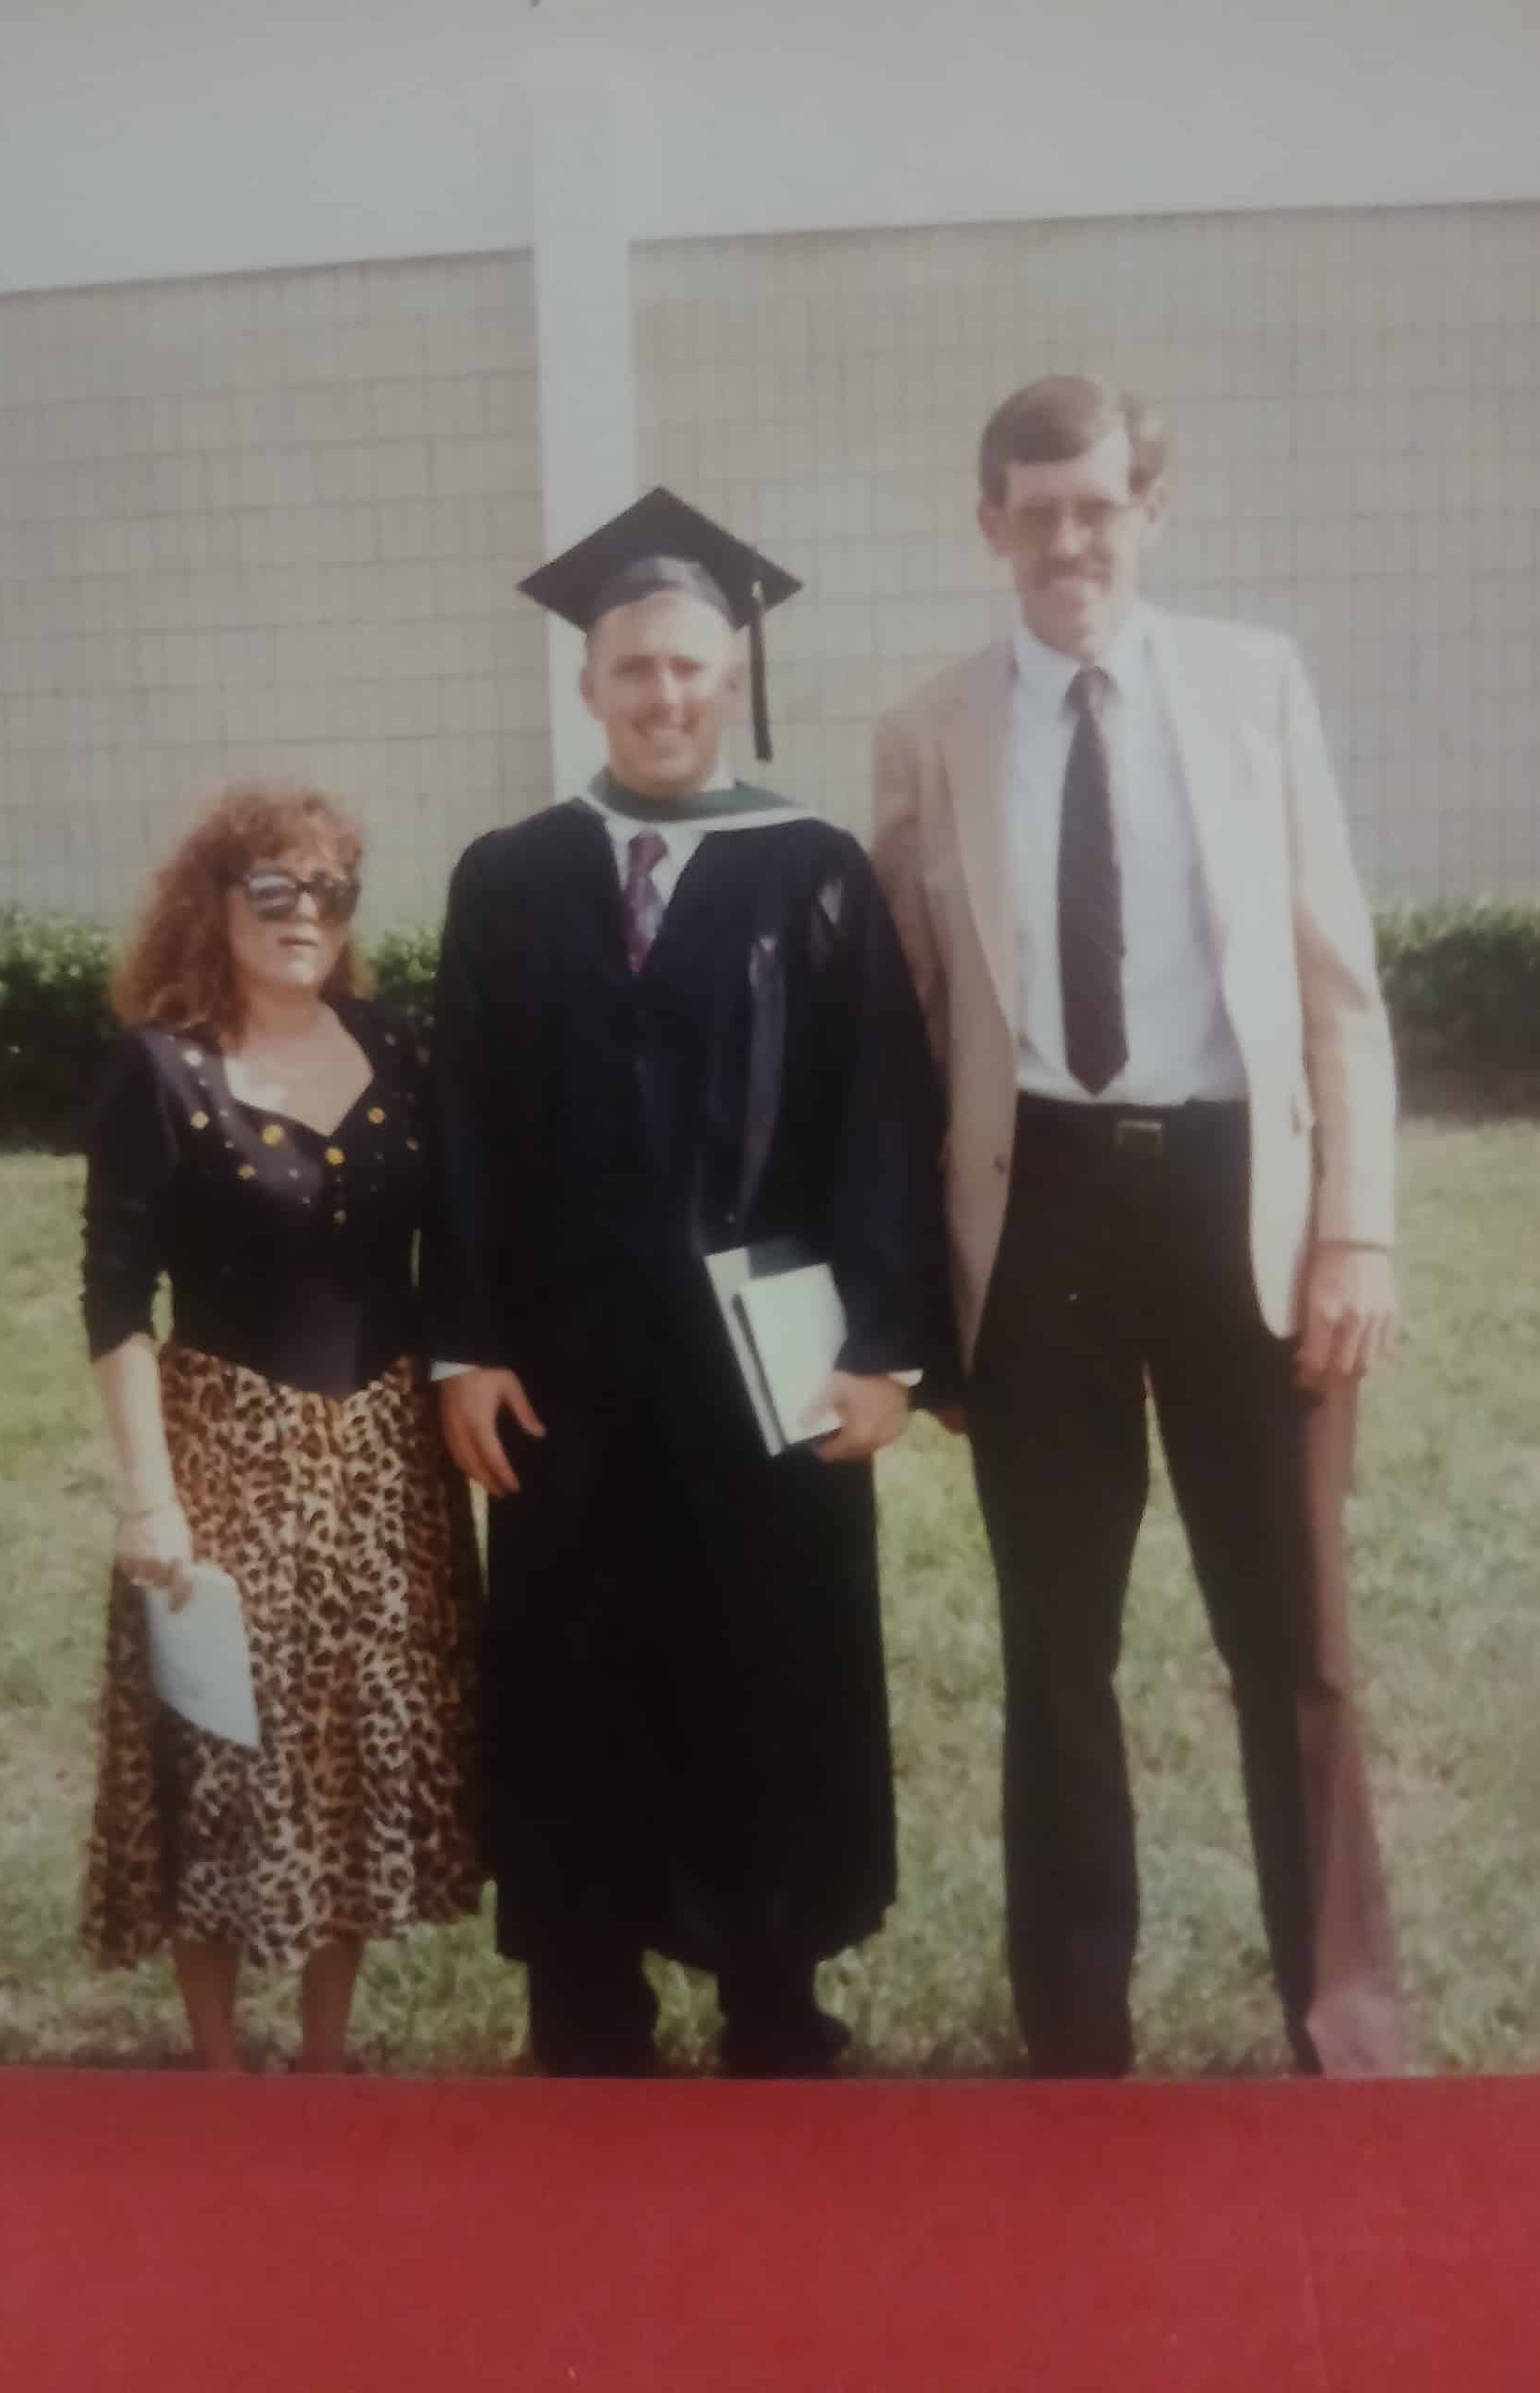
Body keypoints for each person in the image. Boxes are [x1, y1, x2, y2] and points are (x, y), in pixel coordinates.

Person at [871, 376, 1403, 2078]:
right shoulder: (929, 730)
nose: (1067, 540)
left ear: (1148, 512)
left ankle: (1342, 2020)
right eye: (1034, 511)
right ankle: (1076, 2037)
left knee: (1296, 1643)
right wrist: (908, 1293)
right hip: (1037, 1229)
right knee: (1056, 1654)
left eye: (1098, 505)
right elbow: (906, 1028)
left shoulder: (1253, 689)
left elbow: (1338, 983)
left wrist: (1356, 1233)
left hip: (1241, 1207)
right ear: (990, 528)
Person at [424, 487, 954, 2079]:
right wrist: (463, 1342)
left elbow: (881, 1120)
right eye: (634, 669)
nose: (665, 698)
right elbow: (463, 1125)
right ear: (588, 684)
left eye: (693, 671)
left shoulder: (815, 870)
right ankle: (587, 1996)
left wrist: (886, 1349)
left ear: (735, 682)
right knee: (578, 1661)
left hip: (766, 1359)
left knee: (768, 1658)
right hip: (567, 1370)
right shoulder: (510, 876)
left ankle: (773, 1989)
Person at [80, 784, 481, 2071]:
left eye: (330, 892)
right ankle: (218, 2063)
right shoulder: (161, 1066)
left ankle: (322, 2054)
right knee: (224, 1755)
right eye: (274, 890)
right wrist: (151, 1495)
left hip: (382, 1460)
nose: (306, 915)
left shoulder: (394, 1049)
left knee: (356, 1751)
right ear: (216, 904)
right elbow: (112, 1294)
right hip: (226, 1450)